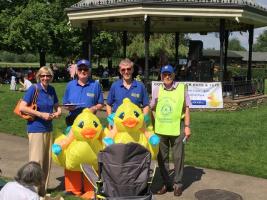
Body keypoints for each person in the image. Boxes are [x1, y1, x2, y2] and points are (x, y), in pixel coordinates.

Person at [61, 59, 104, 196]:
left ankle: (91, 188)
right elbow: (65, 103)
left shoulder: (95, 85)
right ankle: (72, 188)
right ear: (77, 71)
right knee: (72, 155)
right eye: (80, 69)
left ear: (89, 71)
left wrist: (93, 109)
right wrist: (69, 106)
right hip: (73, 123)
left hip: (89, 126)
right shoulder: (70, 85)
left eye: (86, 69)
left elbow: (100, 104)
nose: (83, 72)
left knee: (90, 155)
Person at [19, 66, 61, 197]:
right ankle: (32, 193)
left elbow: (56, 106)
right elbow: (22, 107)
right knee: (36, 162)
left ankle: (42, 192)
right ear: (39, 76)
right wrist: (40, 114)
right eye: (43, 75)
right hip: (36, 129)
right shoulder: (34, 88)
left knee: (46, 162)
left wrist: (58, 112)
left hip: (48, 129)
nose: (45, 78)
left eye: (48, 75)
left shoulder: (52, 89)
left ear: (51, 77)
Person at [150, 64, 191, 197]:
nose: (167, 77)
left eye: (169, 74)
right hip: (161, 129)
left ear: (173, 75)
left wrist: (187, 126)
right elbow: (151, 107)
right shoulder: (157, 89)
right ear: (161, 76)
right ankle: (167, 183)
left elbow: (187, 109)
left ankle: (178, 184)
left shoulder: (181, 88)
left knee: (178, 157)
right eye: (164, 74)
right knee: (162, 157)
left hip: (177, 128)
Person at [105, 58, 150, 144]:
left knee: (134, 152)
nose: (126, 72)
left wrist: (144, 119)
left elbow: (146, 105)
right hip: (118, 127)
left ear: (132, 70)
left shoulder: (140, 86)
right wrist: (110, 120)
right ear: (120, 71)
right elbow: (108, 104)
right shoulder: (115, 86)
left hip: (135, 127)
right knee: (118, 152)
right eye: (123, 70)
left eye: (129, 69)